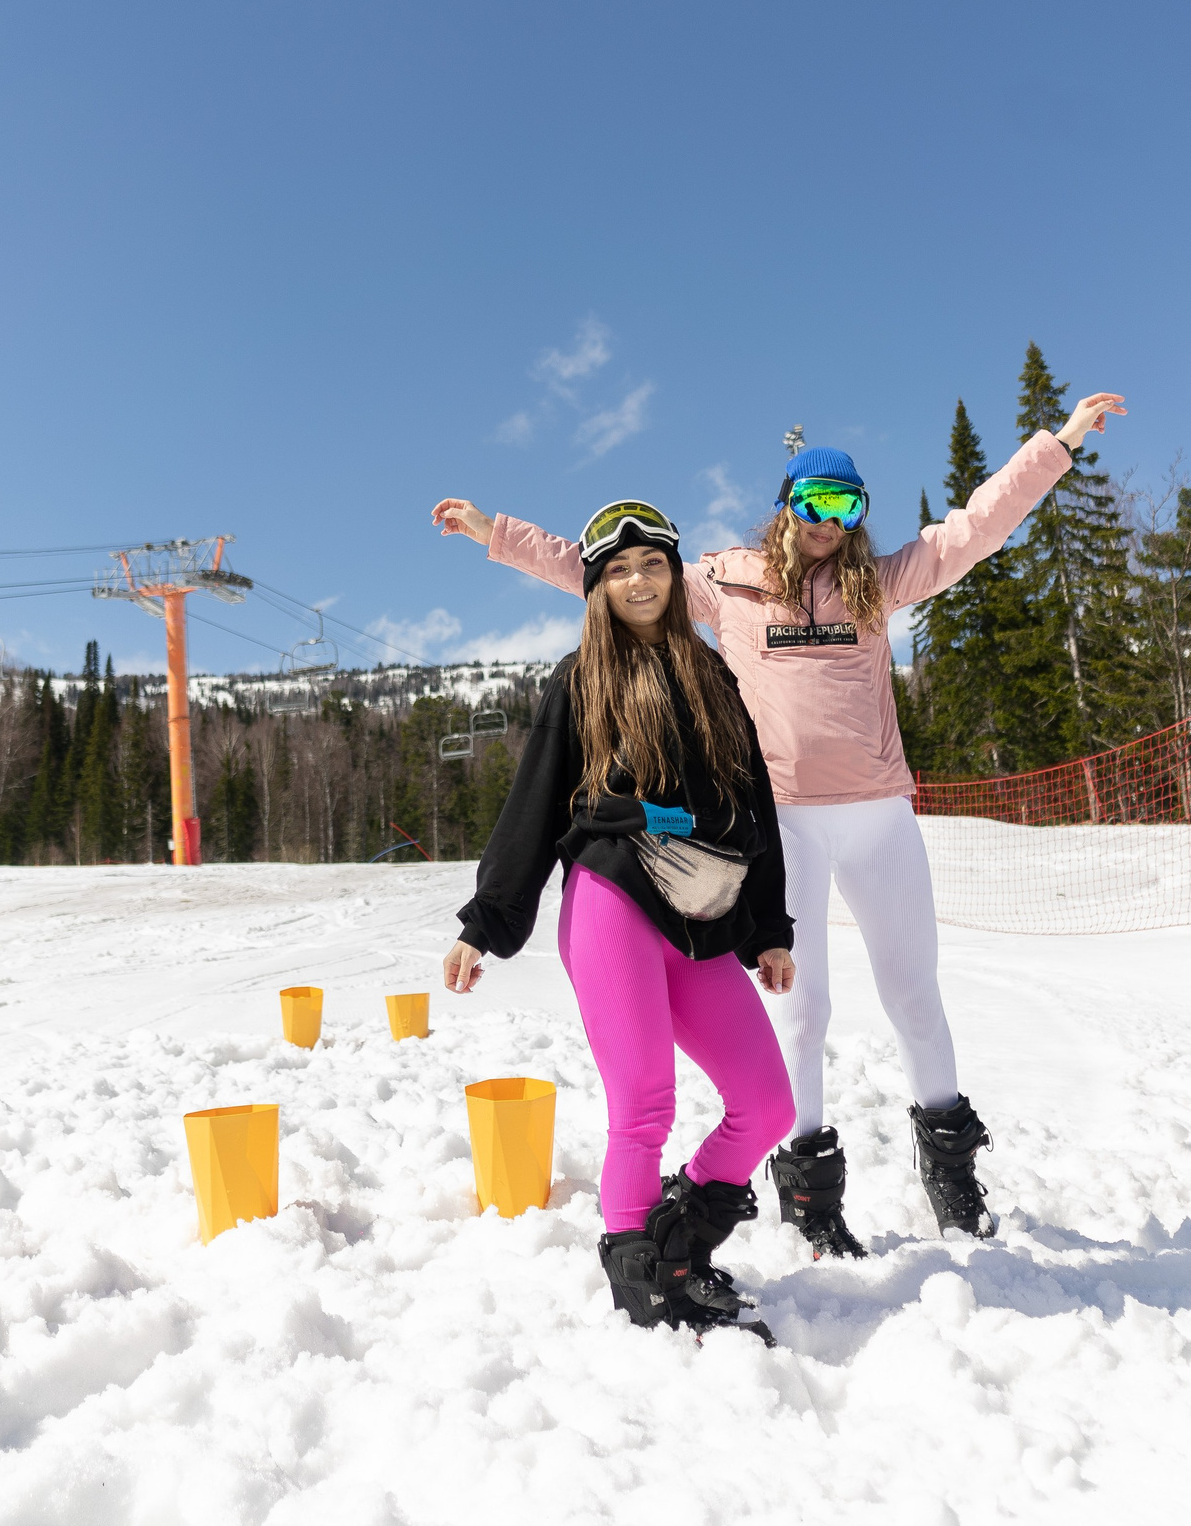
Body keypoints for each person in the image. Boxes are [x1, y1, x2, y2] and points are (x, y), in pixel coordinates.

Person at [433, 392, 1122, 1256]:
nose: (827, 521)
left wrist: (1055, 445)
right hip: (785, 820)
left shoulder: (878, 586)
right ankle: (808, 1189)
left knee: (915, 992)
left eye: (846, 505)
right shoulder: (725, 582)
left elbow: (976, 528)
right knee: (802, 1008)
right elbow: (609, 564)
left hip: (878, 813)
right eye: (813, 502)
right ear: (786, 504)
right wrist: (498, 532)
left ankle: (949, 1161)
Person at [443, 499, 797, 1338]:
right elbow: (530, 806)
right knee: (644, 1102)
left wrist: (769, 927)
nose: (638, 580)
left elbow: (756, 808)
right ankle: (644, 1275)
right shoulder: (579, 677)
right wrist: (485, 921)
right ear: (597, 587)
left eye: (653, 564)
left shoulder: (714, 677)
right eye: (617, 569)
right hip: (612, 902)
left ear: (676, 576)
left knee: (767, 1102)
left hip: (702, 916)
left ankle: (683, 1235)